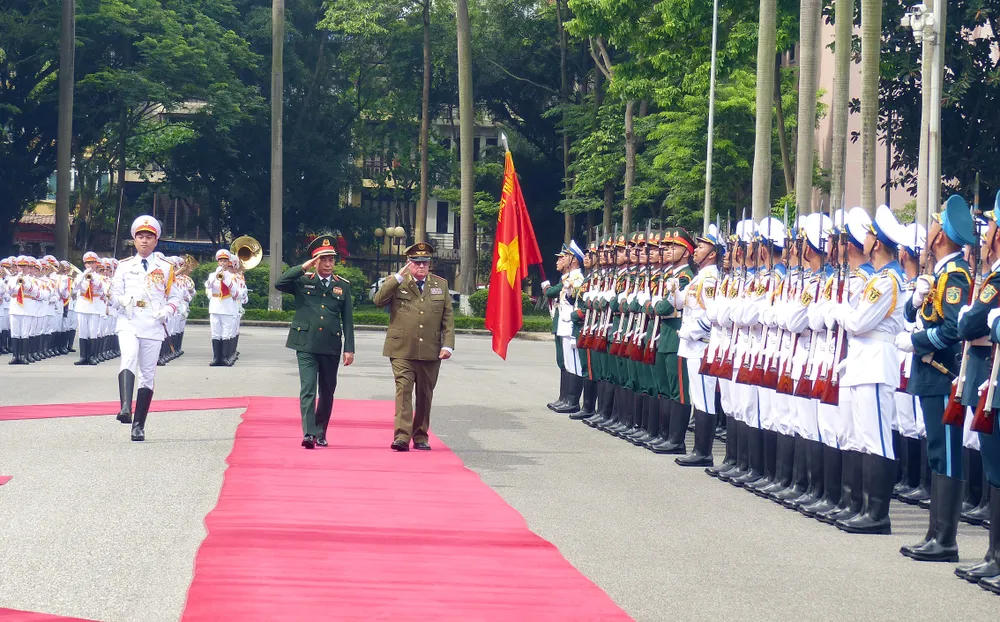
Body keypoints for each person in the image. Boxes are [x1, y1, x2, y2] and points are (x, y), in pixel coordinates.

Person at [895, 194, 977, 562]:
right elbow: (921, 316)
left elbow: (953, 330)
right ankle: (934, 534)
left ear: (940, 235)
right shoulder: (939, 274)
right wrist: (913, 303)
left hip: (942, 374)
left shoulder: (955, 274)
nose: (927, 231)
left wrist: (916, 342)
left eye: (932, 225)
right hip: (929, 373)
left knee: (946, 453)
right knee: (936, 451)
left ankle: (945, 540)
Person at [372, 241, 455, 451]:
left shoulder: (440, 285)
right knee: (404, 391)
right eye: (416, 262)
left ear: (429, 264)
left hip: (431, 350)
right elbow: (378, 300)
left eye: (425, 262)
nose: (421, 266)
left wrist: (448, 345)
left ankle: (420, 436)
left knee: (425, 395)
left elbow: (447, 318)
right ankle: (402, 436)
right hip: (402, 349)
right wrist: (397, 278)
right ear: (408, 263)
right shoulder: (396, 282)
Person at [276, 235, 355, 449]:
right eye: (323, 259)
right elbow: (280, 283)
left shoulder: (342, 286)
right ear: (315, 261)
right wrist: (304, 267)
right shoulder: (303, 281)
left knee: (327, 392)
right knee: (308, 389)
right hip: (306, 344)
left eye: (331, 259)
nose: (328, 264)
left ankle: (321, 431)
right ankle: (309, 433)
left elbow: (348, 320)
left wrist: (349, 349)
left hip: (330, 346)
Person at [110, 215, 184, 441]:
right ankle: (125, 407)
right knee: (128, 357)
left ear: (156, 240)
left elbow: (175, 297)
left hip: (152, 324)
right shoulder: (124, 266)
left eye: (149, 237)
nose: (144, 241)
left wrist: (167, 311)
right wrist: (121, 300)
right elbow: (113, 294)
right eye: (140, 236)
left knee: (147, 374)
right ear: (134, 240)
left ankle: (139, 425)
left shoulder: (165, 268)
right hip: (129, 320)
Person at [205, 249, 246, 367]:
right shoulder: (212, 275)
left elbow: (235, 291)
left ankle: (225, 358)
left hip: (227, 306)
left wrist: (225, 279)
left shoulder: (232, 277)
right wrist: (216, 275)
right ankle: (216, 358)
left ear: (228, 262)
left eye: (225, 261)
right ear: (218, 262)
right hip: (215, 306)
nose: (223, 263)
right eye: (221, 261)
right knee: (215, 332)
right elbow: (208, 285)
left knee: (226, 333)